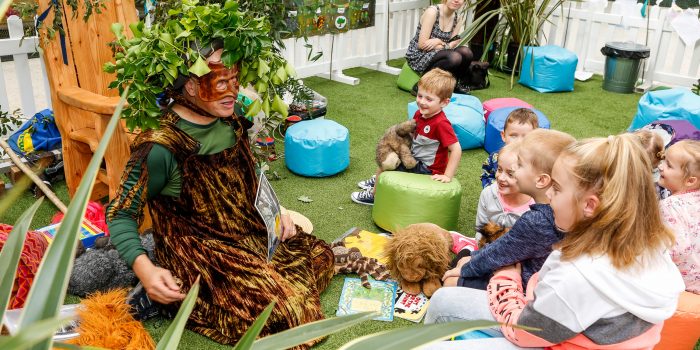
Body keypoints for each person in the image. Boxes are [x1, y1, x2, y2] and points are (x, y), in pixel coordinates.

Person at [106, 43, 334, 345]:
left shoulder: (232, 118)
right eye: (221, 81)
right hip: (199, 255)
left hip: (246, 235)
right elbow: (120, 212)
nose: (233, 90)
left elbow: (249, 180)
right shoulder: (160, 147)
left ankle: (258, 284)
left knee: (321, 255)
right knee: (285, 312)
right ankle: (169, 298)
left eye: (235, 79)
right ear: (190, 85)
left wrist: (276, 216)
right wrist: (145, 269)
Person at [425, 134, 684, 349]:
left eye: (557, 189)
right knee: (446, 300)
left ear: (590, 206)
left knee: (439, 321)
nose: (549, 194)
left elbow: (525, 331)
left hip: (539, 334)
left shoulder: (579, 275)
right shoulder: (650, 246)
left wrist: (506, 278)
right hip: (568, 332)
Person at [443, 129, 574, 290]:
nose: (514, 170)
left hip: (522, 286)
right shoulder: (564, 212)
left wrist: (465, 268)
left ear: (541, 180)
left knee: (450, 281)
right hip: (527, 273)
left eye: (519, 166)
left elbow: (497, 255)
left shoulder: (536, 221)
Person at [351, 68, 462, 205]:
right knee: (388, 154)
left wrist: (447, 175)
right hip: (414, 157)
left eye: (429, 99)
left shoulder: (441, 123)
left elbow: (456, 149)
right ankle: (379, 179)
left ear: (444, 102)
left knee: (387, 164)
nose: (422, 102)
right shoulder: (420, 113)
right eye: (420, 96)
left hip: (427, 168)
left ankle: (375, 195)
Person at [658, 140, 700, 294]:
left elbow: (675, 249)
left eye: (668, 165)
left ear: (690, 181)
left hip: (685, 286)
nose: (661, 166)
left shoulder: (670, 206)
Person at [405, 0, 473, 94]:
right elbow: (422, 45)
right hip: (419, 54)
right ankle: (421, 84)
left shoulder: (458, 18)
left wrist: (438, 42)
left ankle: (454, 84)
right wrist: (446, 44)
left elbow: (452, 45)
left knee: (466, 53)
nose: (456, 0)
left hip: (441, 51)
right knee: (454, 57)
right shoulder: (433, 12)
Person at [474, 141, 534, 242]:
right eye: (499, 169)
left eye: (510, 174)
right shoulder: (488, 194)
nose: (501, 177)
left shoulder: (534, 209)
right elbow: (480, 232)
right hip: (486, 249)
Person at [480, 108, 538, 188]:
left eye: (526, 137)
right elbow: (486, 175)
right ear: (503, 136)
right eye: (514, 136)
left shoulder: (536, 161)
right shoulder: (495, 157)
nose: (519, 141)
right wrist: (494, 188)